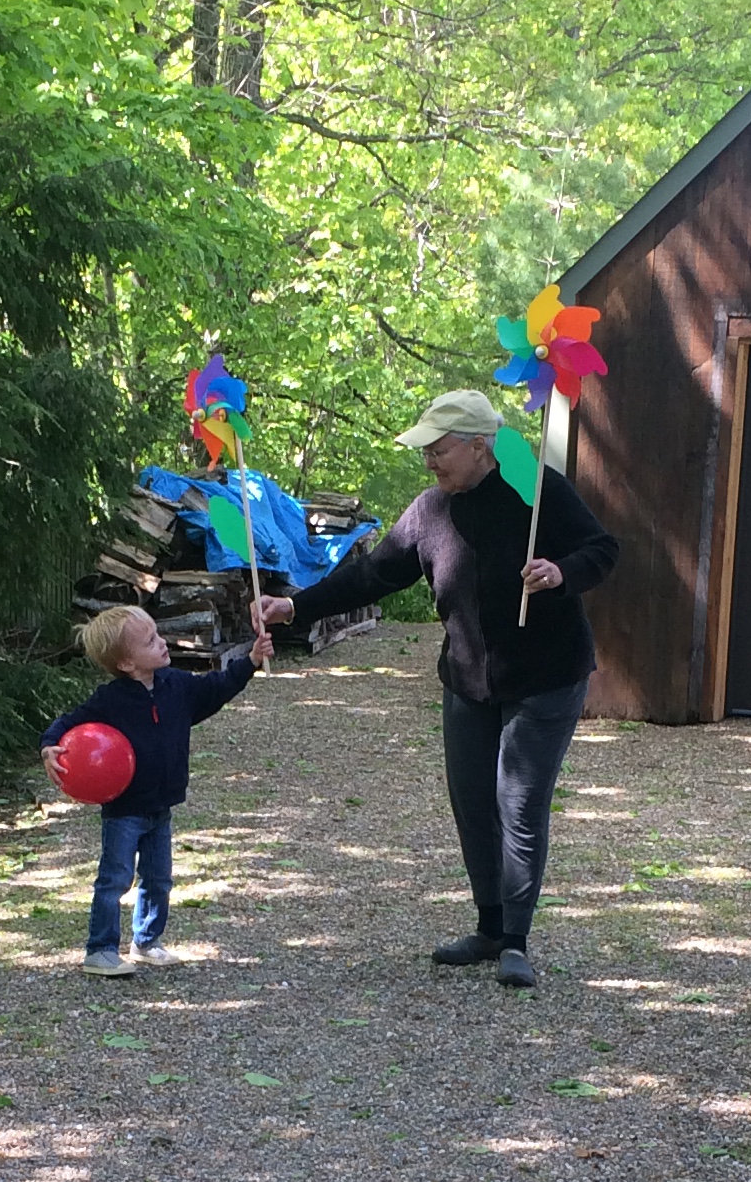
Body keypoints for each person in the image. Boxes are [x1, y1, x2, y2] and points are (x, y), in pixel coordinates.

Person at [256, 387, 616, 988]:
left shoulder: (537, 491)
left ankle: (516, 943)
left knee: (518, 804)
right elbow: (373, 574)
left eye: (438, 449)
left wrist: (561, 572)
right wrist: (295, 607)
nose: (429, 461)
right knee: (472, 801)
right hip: (469, 681)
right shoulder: (429, 511)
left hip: (546, 678)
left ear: (479, 447)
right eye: (425, 450)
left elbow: (603, 549)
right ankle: (489, 927)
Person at [43, 604, 271, 973]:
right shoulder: (110, 700)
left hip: (161, 805)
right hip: (124, 810)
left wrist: (251, 660)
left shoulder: (175, 685)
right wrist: (49, 746)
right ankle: (100, 949)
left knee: (159, 879)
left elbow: (216, 687)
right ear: (126, 664)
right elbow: (68, 723)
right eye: (150, 641)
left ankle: (146, 942)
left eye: (157, 634)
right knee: (115, 879)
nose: (162, 642)